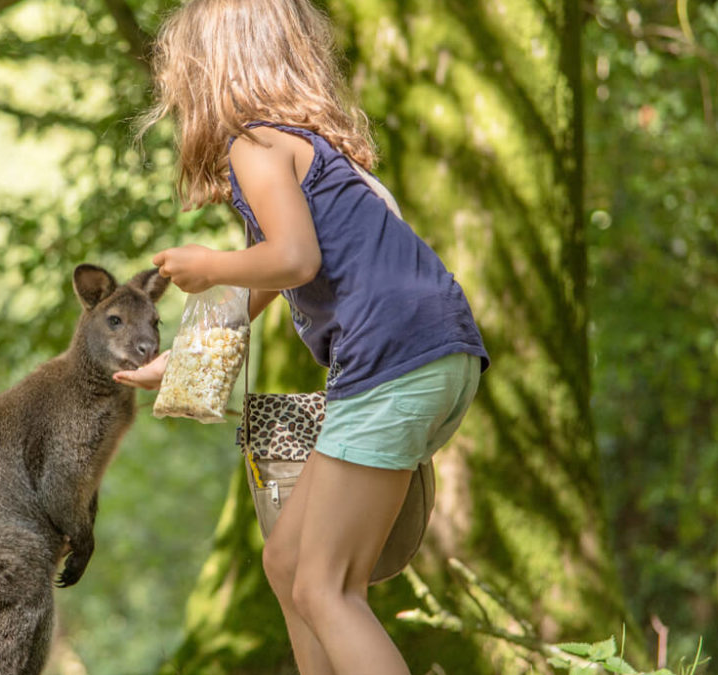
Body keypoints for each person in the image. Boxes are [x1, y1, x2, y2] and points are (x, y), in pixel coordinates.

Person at [112, 1, 490, 673]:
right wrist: (178, 365)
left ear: (208, 72)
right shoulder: (309, 152)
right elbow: (264, 279)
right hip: (433, 353)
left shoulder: (253, 145)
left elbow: (293, 260)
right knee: (287, 560)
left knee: (325, 586)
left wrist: (208, 265)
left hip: (393, 360)